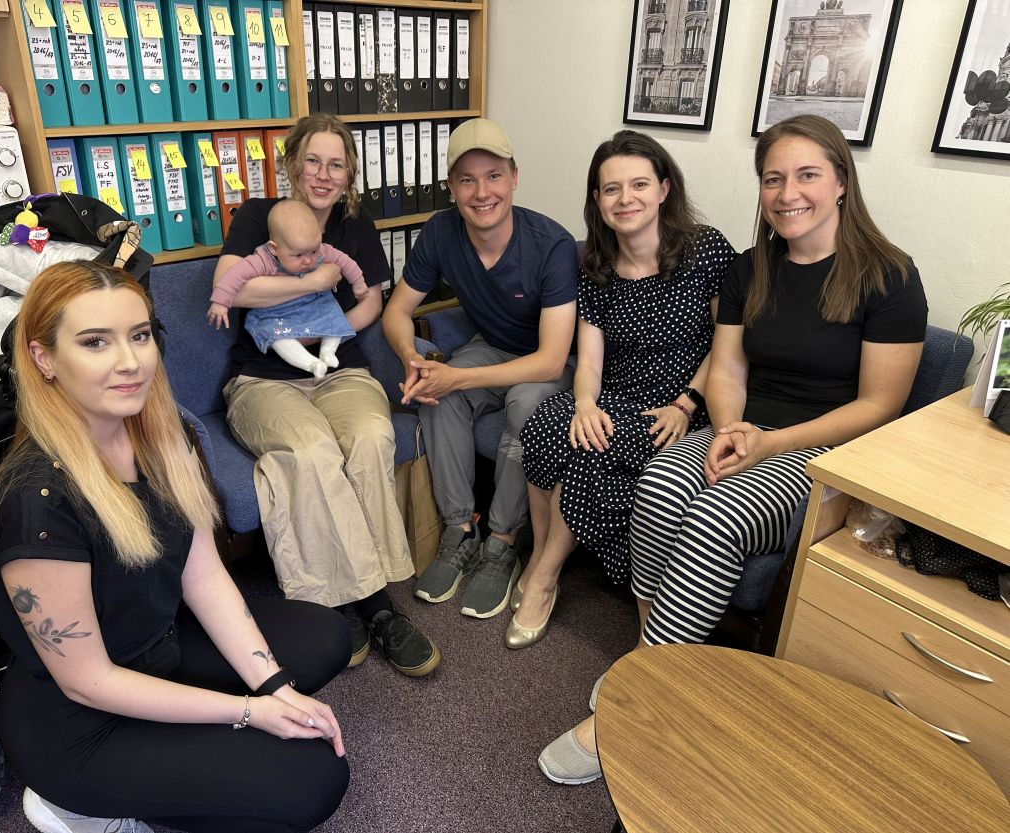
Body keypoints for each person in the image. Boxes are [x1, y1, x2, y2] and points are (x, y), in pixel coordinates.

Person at [537, 114, 927, 786]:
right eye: (772, 179)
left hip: (821, 454)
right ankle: (652, 657)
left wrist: (768, 442)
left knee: (715, 515)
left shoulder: (888, 276)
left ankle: (636, 705)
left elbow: (878, 406)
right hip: (741, 429)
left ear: (840, 182)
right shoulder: (752, 267)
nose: (787, 193)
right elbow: (726, 369)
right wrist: (725, 429)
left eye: (806, 175)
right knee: (659, 484)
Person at [0, 261, 350, 833]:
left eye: (139, 335)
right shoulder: (36, 501)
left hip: (155, 646)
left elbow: (202, 576)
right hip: (79, 723)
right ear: (44, 358)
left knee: (325, 637)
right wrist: (250, 711)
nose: (130, 361)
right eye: (95, 342)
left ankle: (172, 740)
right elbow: (88, 681)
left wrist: (274, 686)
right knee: (312, 784)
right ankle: (80, 809)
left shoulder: (157, 434)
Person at [215, 113, 438, 677]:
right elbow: (233, 288)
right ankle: (372, 606)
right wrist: (312, 285)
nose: (323, 173)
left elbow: (372, 301)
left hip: (339, 369)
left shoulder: (355, 226)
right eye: (312, 161)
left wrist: (329, 332)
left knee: (370, 435)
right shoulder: (258, 215)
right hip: (263, 379)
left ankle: (353, 598)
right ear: (292, 164)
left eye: (336, 164)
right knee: (311, 450)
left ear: (349, 174)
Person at [513, 130, 735, 650]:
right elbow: (589, 360)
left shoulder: (705, 250)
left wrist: (687, 404)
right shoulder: (596, 264)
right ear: (597, 199)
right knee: (546, 424)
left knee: (590, 451)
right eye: (611, 189)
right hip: (616, 394)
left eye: (639, 184)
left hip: (681, 405)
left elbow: (728, 347)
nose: (625, 198)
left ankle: (543, 576)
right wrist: (584, 403)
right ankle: (542, 555)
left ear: (663, 189)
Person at [382, 118, 579, 620]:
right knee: (436, 391)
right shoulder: (440, 231)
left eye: (494, 176)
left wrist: (459, 376)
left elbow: (551, 359)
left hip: (551, 361)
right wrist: (414, 359)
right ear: (451, 187)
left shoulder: (551, 244)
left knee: (524, 403)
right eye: (467, 180)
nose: (482, 192)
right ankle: (459, 530)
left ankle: (502, 542)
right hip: (492, 347)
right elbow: (396, 311)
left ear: (515, 177)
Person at [208, 199, 368, 379]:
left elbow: (345, 261)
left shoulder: (319, 249)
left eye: (313, 251)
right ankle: (311, 363)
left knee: (335, 318)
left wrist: (358, 283)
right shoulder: (263, 260)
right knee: (277, 338)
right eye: (298, 255)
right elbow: (234, 276)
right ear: (274, 248)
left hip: (314, 306)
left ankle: (327, 352)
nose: (309, 260)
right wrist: (220, 302)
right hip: (277, 313)